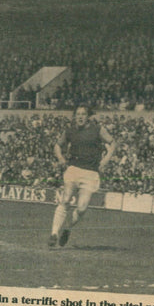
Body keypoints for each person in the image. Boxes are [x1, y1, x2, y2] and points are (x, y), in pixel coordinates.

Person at [48, 105, 115, 248]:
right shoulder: (70, 131)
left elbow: (113, 143)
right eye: (78, 114)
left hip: (91, 172)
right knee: (65, 200)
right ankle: (53, 234)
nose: (80, 117)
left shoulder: (97, 130)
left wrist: (105, 160)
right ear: (74, 116)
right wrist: (61, 159)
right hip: (73, 169)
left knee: (82, 208)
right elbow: (57, 146)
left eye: (83, 114)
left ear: (88, 116)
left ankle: (67, 229)